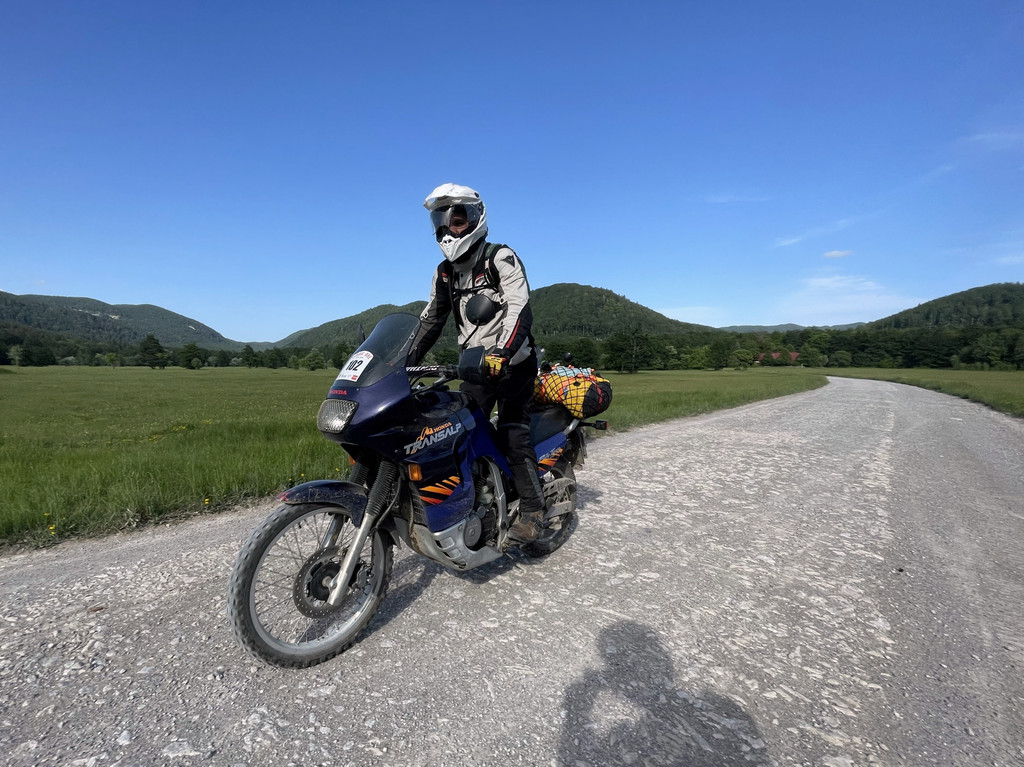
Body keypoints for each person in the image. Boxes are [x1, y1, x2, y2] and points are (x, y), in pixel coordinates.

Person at [408, 183, 546, 543]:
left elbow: (519, 307)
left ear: (474, 218)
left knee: (512, 433)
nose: (446, 229)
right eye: (440, 222)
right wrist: (399, 361)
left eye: (455, 220)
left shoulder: (500, 258)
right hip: (474, 367)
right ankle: (477, 502)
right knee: (460, 433)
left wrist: (502, 351)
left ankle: (534, 511)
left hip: (513, 364)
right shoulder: (445, 273)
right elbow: (430, 321)